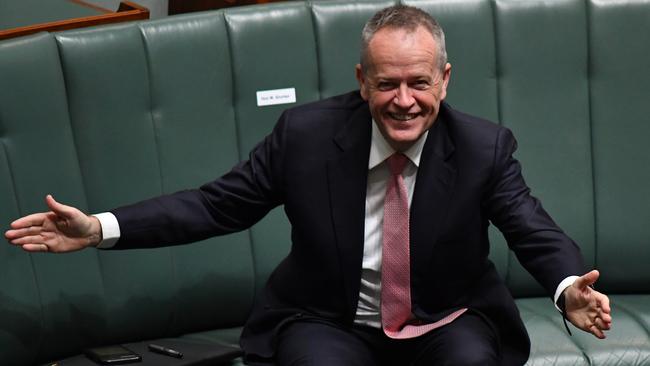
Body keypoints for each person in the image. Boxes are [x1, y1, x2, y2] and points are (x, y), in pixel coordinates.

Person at [5, 5, 611, 365]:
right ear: (361, 80)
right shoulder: (305, 135)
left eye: (419, 83)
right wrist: (99, 228)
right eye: (386, 84)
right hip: (329, 320)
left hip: (446, 321)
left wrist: (566, 288)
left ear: (445, 81)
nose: (404, 101)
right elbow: (218, 206)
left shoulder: (484, 146)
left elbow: (531, 228)